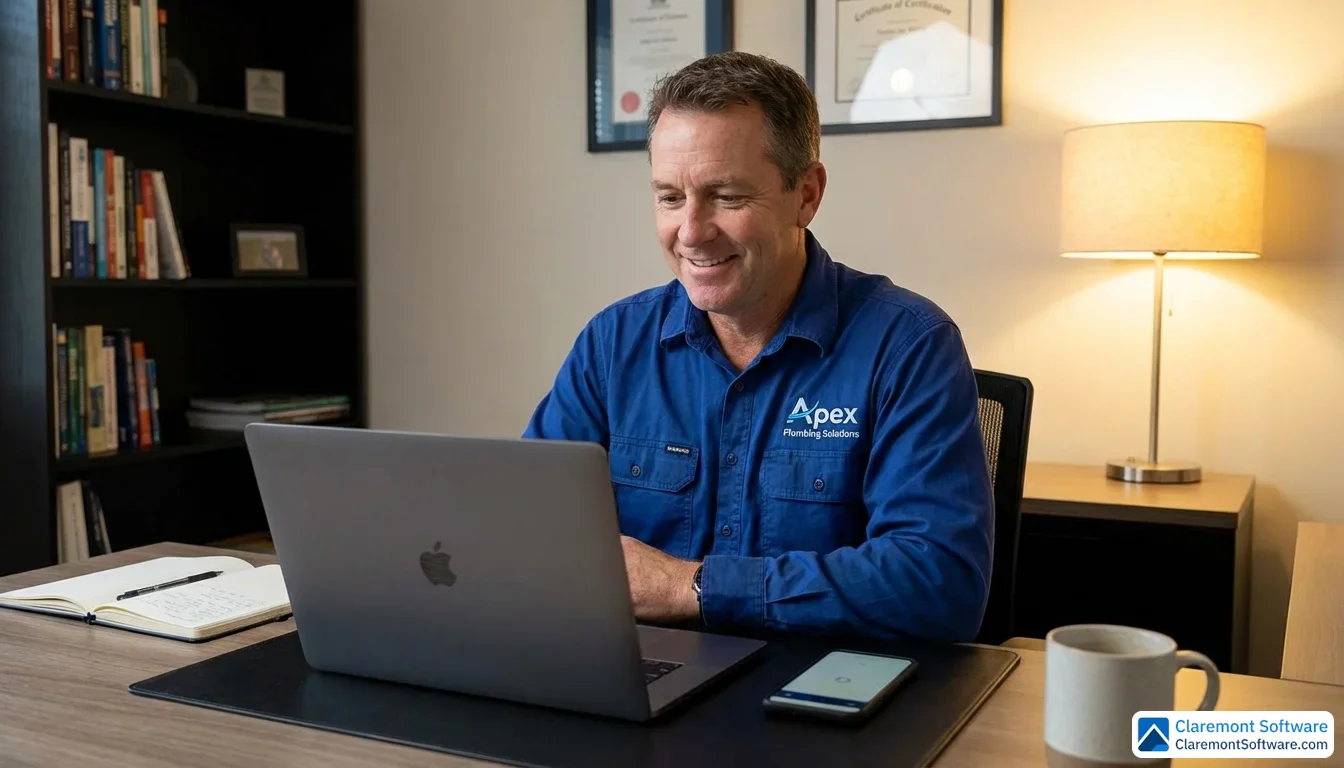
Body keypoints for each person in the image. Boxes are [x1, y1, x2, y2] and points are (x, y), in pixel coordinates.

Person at [523, 51, 993, 642]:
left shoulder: (909, 346)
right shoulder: (613, 344)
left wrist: (690, 588)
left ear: (807, 194)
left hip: (823, 696)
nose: (691, 232)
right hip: (638, 686)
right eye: (670, 197)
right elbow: (530, 533)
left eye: (727, 197)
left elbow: (939, 584)